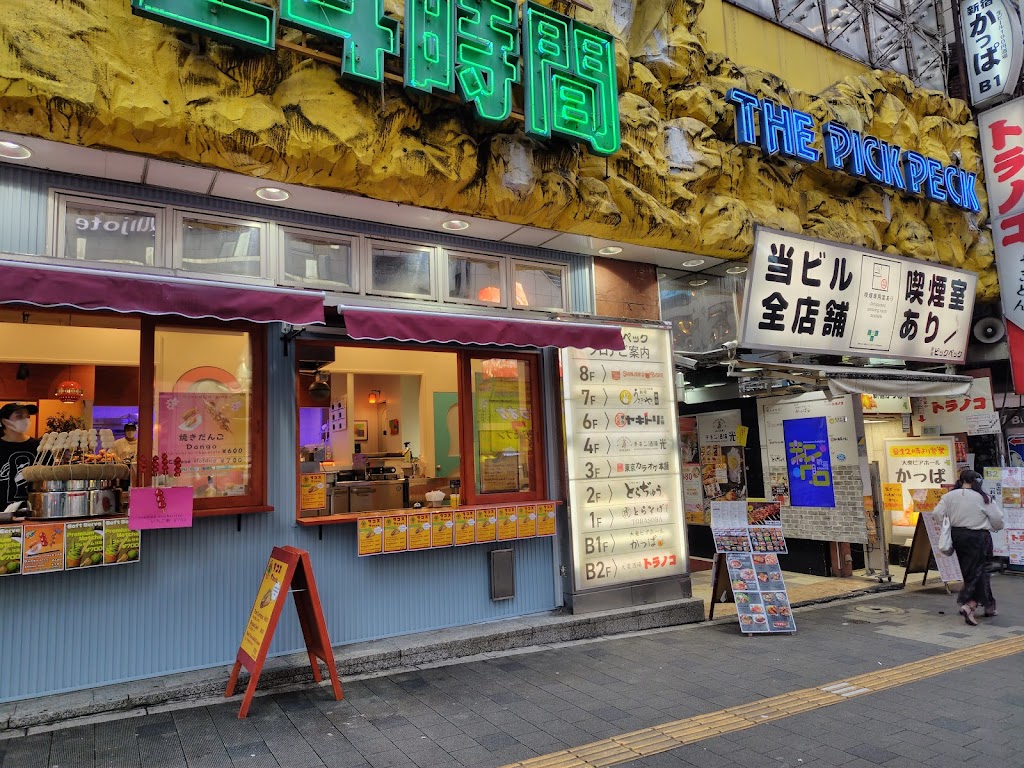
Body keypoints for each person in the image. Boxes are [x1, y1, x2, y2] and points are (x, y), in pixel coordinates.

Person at [933, 470, 1005, 625]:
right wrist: (994, 527)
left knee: (971, 570)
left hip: (958, 536)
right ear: (976, 481)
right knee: (978, 571)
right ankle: (969, 604)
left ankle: (989, 605)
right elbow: (998, 519)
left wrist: (947, 524)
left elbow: (937, 513)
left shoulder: (949, 496)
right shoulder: (983, 497)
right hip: (978, 536)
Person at [0, 403, 39, 509]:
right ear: (5, 421)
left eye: (27, 416)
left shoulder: (39, 447)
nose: (25, 420)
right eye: (19, 416)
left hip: (33, 509)